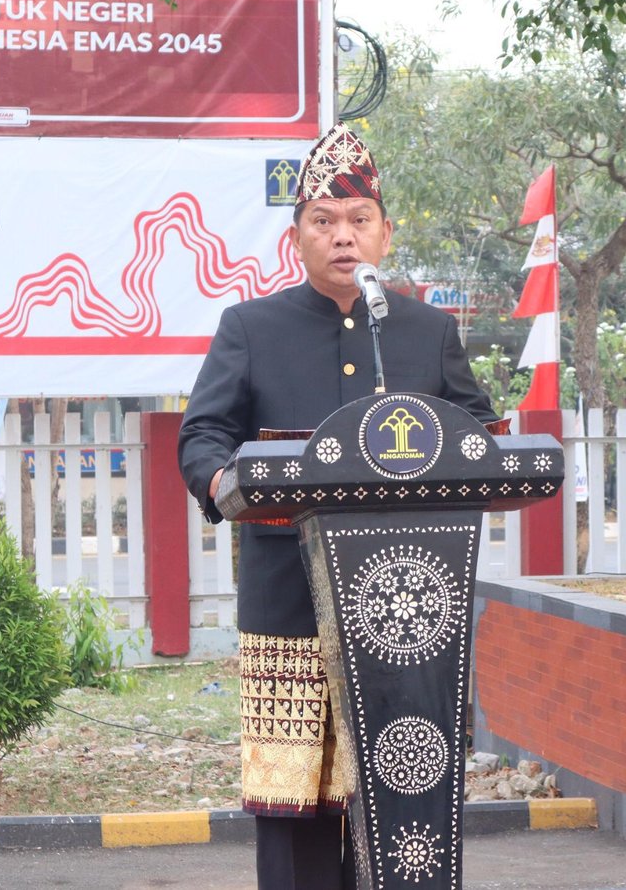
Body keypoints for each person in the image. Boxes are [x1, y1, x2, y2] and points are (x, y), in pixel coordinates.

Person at [177, 123, 497, 890]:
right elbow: (203, 434)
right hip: (288, 602)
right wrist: (222, 482)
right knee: (295, 808)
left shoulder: (427, 330)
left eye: (358, 220)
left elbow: (478, 433)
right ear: (296, 239)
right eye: (323, 221)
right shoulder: (251, 328)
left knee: (399, 798)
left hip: (408, 610)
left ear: (386, 234)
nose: (343, 236)